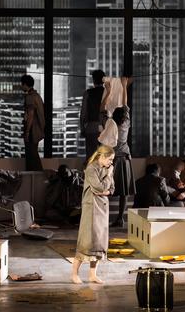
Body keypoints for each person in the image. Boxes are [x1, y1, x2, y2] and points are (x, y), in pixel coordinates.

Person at [71, 145, 115, 284]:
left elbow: (111, 188)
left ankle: (92, 275)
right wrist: (107, 180)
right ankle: (74, 274)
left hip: (103, 207)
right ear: (102, 156)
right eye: (110, 159)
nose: (111, 162)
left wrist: (105, 191)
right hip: (91, 207)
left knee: (99, 242)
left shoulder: (108, 169)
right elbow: (99, 187)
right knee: (87, 241)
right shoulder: (91, 169)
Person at [100, 77, 134, 227]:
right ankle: (120, 218)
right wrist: (124, 86)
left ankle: (104, 216)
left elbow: (102, 109)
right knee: (123, 191)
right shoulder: (126, 123)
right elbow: (125, 105)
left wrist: (108, 92)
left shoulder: (109, 123)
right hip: (125, 159)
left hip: (111, 160)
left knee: (106, 188)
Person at [20, 74, 45, 171]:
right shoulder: (37, 96)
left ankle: (37, 175)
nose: (21, 86)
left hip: (32, 130)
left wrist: (27, 131)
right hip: (38, 130)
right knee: (33, 154)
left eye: (22, 84)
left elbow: (30, 115)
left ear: (25, 84)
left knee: (31, 156)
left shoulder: (30, 97)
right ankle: (36, 175)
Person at [80, 69, 106, 159]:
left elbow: (83, 113)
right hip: (105, 128)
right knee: (104, 157)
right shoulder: (107, 93)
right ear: (103, 80)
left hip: (91, 127)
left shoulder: (87, 93)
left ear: (93, 80)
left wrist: (83, 129)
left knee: (91, 157)